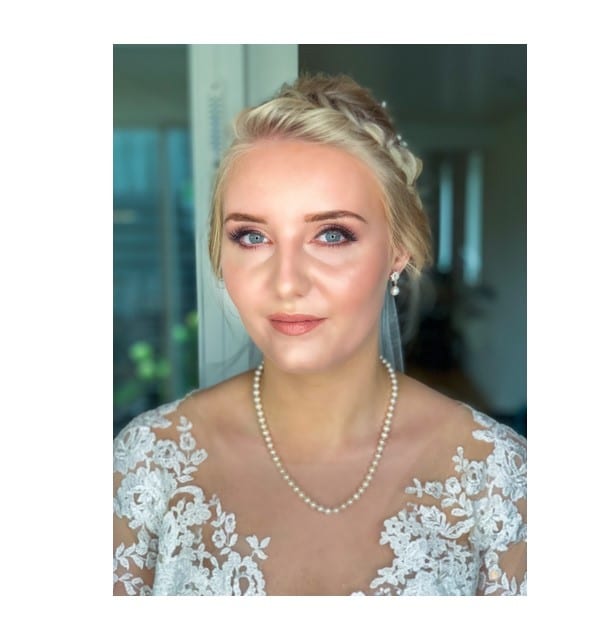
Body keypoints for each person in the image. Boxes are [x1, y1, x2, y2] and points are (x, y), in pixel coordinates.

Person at [113, 74, 527, 596]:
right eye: (252, 236)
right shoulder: (148, 462)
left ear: (397, 251)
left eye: (332, 235)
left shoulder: (498, 479)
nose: (286, 282)